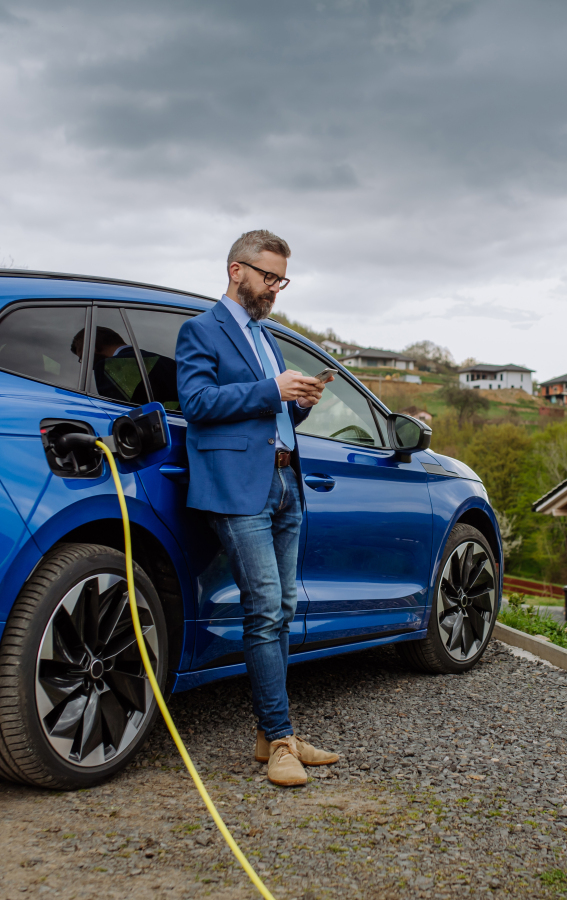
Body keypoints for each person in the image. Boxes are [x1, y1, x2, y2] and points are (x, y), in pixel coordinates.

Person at [176, 230, 339, 787]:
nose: (275, 288)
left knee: (285, 608)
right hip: (237, 489)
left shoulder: (266, 336)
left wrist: (300, 403)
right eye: (268, 276)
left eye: (281, 279)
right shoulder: (200, 330)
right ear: (236, 271)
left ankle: (271, 737)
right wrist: (273, 390)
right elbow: (196, 403)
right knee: (265, 608)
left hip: (285, 482)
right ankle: (281, 739)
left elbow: (272, 414)